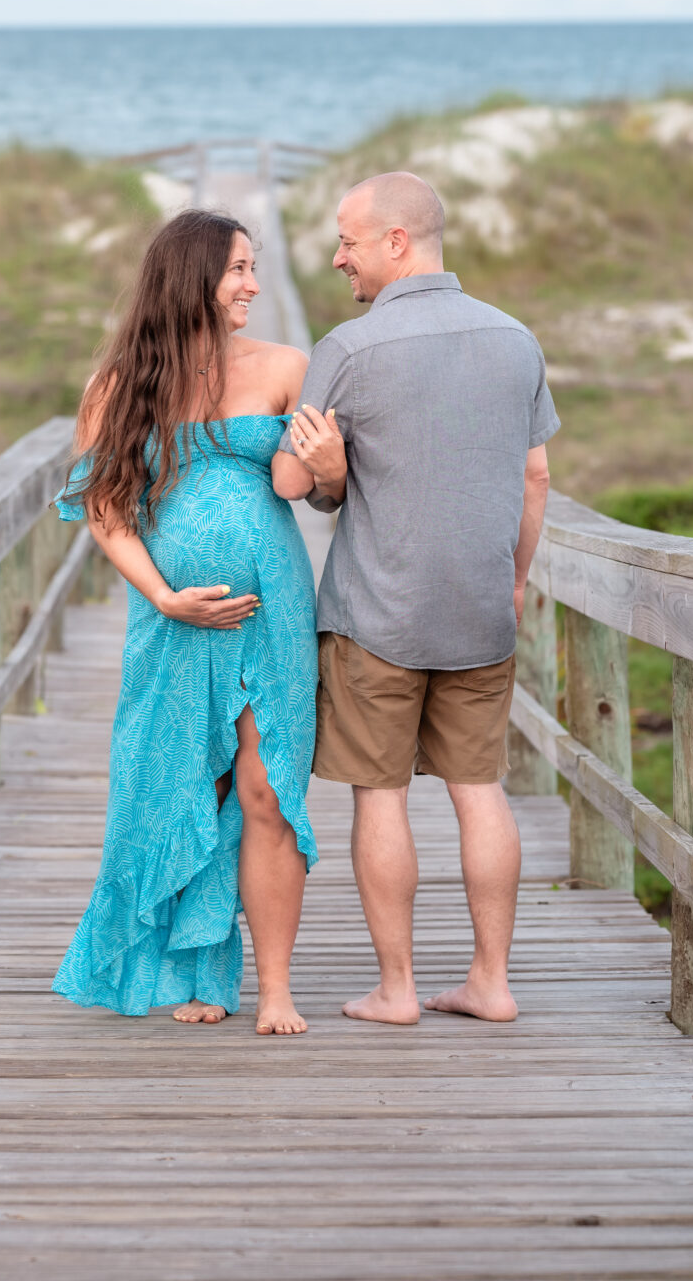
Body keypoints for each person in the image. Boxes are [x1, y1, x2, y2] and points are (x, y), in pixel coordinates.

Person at [273, 171, 558, 1025]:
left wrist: (329, 477)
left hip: (376, 617)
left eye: (348, 242)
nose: (337, 259)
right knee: (479, 789)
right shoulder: (516, 339)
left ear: (396, 242)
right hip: (480, 611)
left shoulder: (350, 349)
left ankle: (396, 990)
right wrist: (511, 579)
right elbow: (534, 475)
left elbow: (293, 475)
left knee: (380, 795)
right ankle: (491, 982)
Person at [53, 208, 330, 1035]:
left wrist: (324, 465)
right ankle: (206, 973)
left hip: (269, 611)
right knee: (185, 783)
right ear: (191, 279)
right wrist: (162, 595)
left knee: (264, 789)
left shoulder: (287, 365)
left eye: (253, 268)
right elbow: (105, 509)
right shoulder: (117, 386)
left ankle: (275, 987)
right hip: (172, 619)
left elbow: (296, 487)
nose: (252, 284)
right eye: (238, 269)